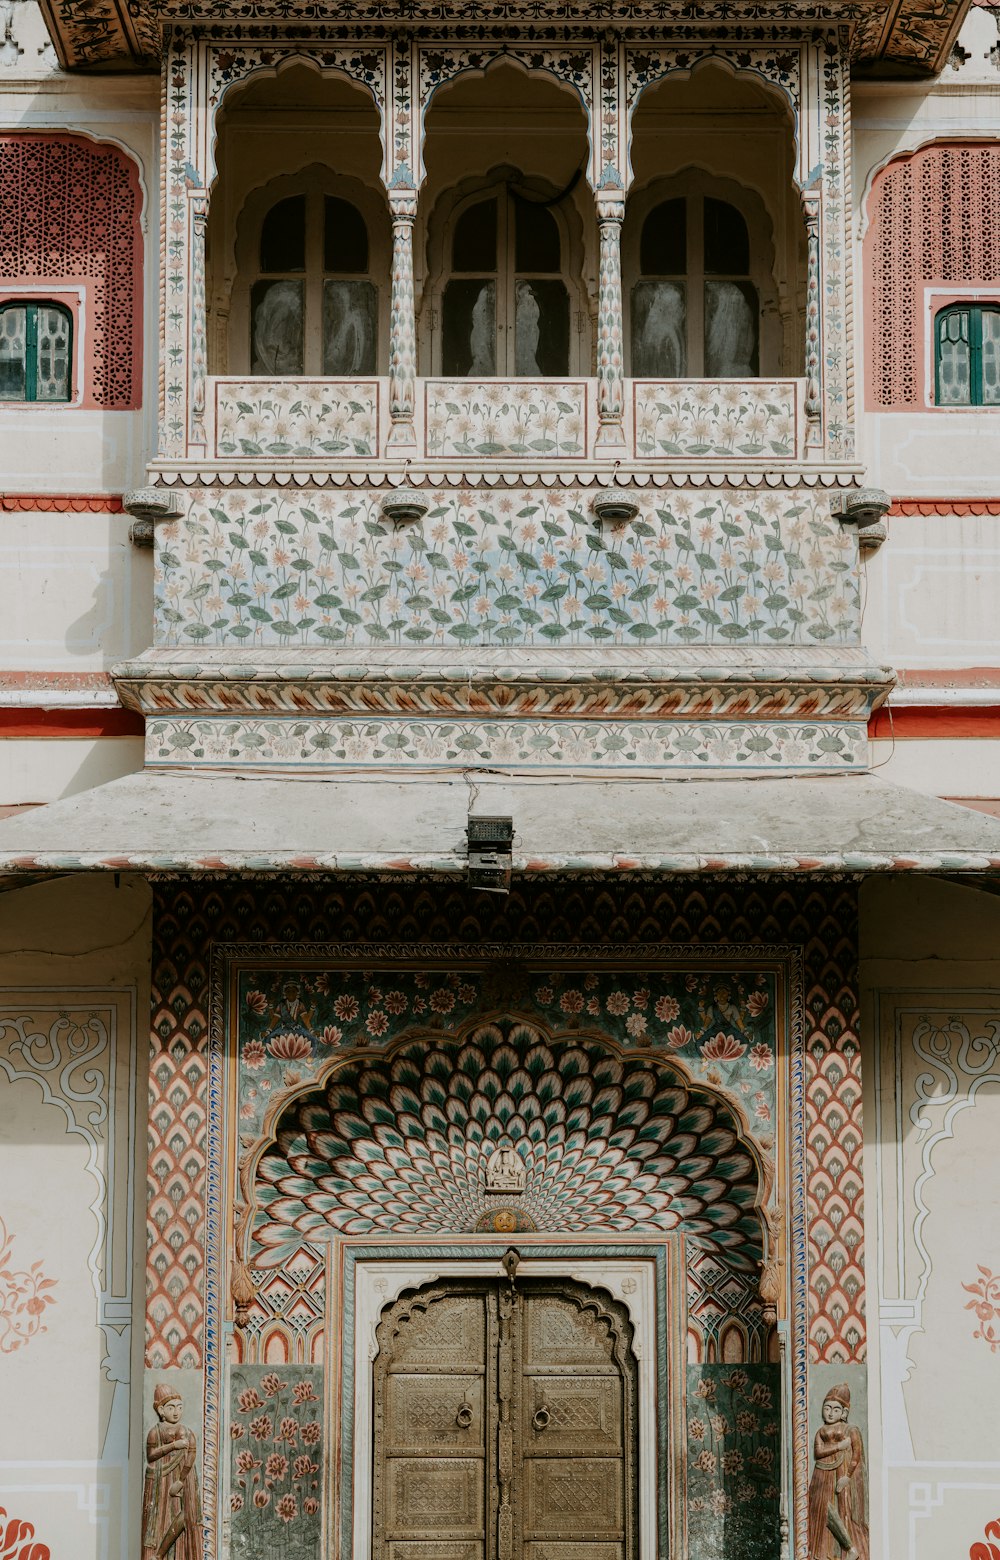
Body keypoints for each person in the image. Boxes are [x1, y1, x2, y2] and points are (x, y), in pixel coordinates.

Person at [808, 1383, 869, 1560]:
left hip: (840, 1473)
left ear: (844, 1413)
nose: (830, 1413)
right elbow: (818, 1452)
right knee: (821, 1509)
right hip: (821, 1474)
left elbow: (856, 1455)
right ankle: (828, 1550)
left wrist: (847, 1477)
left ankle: (850, 1548)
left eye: (835, 1410)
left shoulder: (851, 1430)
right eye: (827, 1408)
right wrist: (839, 1446)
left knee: (841, 1511)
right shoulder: (821, 1431)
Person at [142, 1384, 202, 1560]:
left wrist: (181, 1480)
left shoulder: (188, 1432)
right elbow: (151, 1455)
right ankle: (159, 1554)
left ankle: (162, 1553)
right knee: (160, 1519)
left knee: (188, 1514)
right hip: (161, 1479)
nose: (176, 1412)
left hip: (184, 1477)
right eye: (171, 1407)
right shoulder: (155, 1432)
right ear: (161, 1410)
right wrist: (173, 1445)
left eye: (179, 1407)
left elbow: (191, 1455)